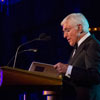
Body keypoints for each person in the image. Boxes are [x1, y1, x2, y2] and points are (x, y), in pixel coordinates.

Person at [53, 13, 100, 100]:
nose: (64, 36)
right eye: (64, 31)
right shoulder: (77, 46)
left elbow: (95, 76)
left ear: (80, 28)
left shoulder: (92, 45)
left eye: (67, 30)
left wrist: (67, 69)